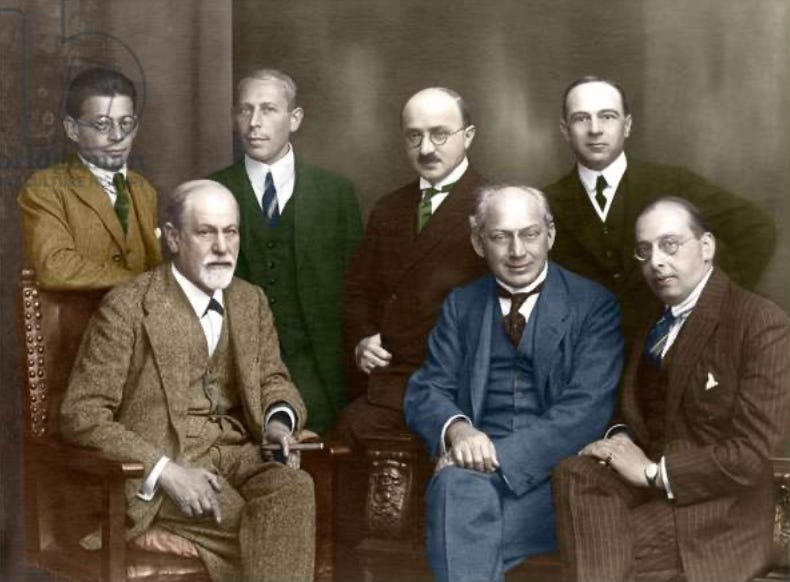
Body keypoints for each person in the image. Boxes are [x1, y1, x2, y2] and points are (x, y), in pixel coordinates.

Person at [60, 180, 315, 582]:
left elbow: (272, 378)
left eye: (230, 232)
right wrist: (165, 471)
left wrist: (277, 424)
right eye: (205, 232)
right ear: (174, 238)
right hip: (166, 463)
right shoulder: (127, 307)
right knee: (269, 527)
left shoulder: (249, 301)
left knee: (293, 490)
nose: (222, 247)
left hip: (238, 453)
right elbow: (82, 413)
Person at [552, 197, 790, 582]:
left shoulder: (759, 322)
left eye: (670, 245)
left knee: (597, 542)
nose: (656, 262)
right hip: (654, 489)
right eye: (644, 251)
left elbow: (751, 454)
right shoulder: (652, 319)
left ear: (707, 246)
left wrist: (651, 473)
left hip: (721, 508)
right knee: (575, 473)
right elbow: (632, 407)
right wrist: (619, 440)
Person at [403, 185, 624, 581]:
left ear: (550, 234)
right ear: (478, 242)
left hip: (552, 482)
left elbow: (585, 410)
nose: (517, 251)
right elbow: (427, 388)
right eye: (500, 236)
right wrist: (458, 430)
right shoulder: (461, 304)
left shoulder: (594, 305)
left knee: (459, 520)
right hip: (468, 479)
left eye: (530, 234)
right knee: (457, 489)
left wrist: (496, 457)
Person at [544, 76, 776, 344]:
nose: (595, 129)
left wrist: (708, 303)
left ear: (627, 125)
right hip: (585, 352)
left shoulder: (673, 183)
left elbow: (757, 230)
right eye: (581, 118)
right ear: (565, 130)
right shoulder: (545, 203)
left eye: (607, 116)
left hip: (672, 349)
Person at [210, 68, 362, 434]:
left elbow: (358, 287)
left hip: (320, 373)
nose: (254, 123)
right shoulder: (212, 191)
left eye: (268, 109)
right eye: (245, 110)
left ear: (295, 118)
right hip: (237, 374)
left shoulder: (335, 193)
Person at [337, 87, 489, 444]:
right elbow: (357, 288)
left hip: (454, 383)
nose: (426, 149)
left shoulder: (491, 206)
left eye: (439, 134)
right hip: (387, 377)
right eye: (414, 136)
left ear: (468, 135)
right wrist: (362, 339)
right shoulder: (389, 207)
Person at [18, 67, 161, 290]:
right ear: (73, 129)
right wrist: (137, 282)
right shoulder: (45, 188)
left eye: (125, 123)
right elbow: (54, 266)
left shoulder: (145, 189)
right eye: (102, 124)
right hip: (80, 312)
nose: (117, 136)